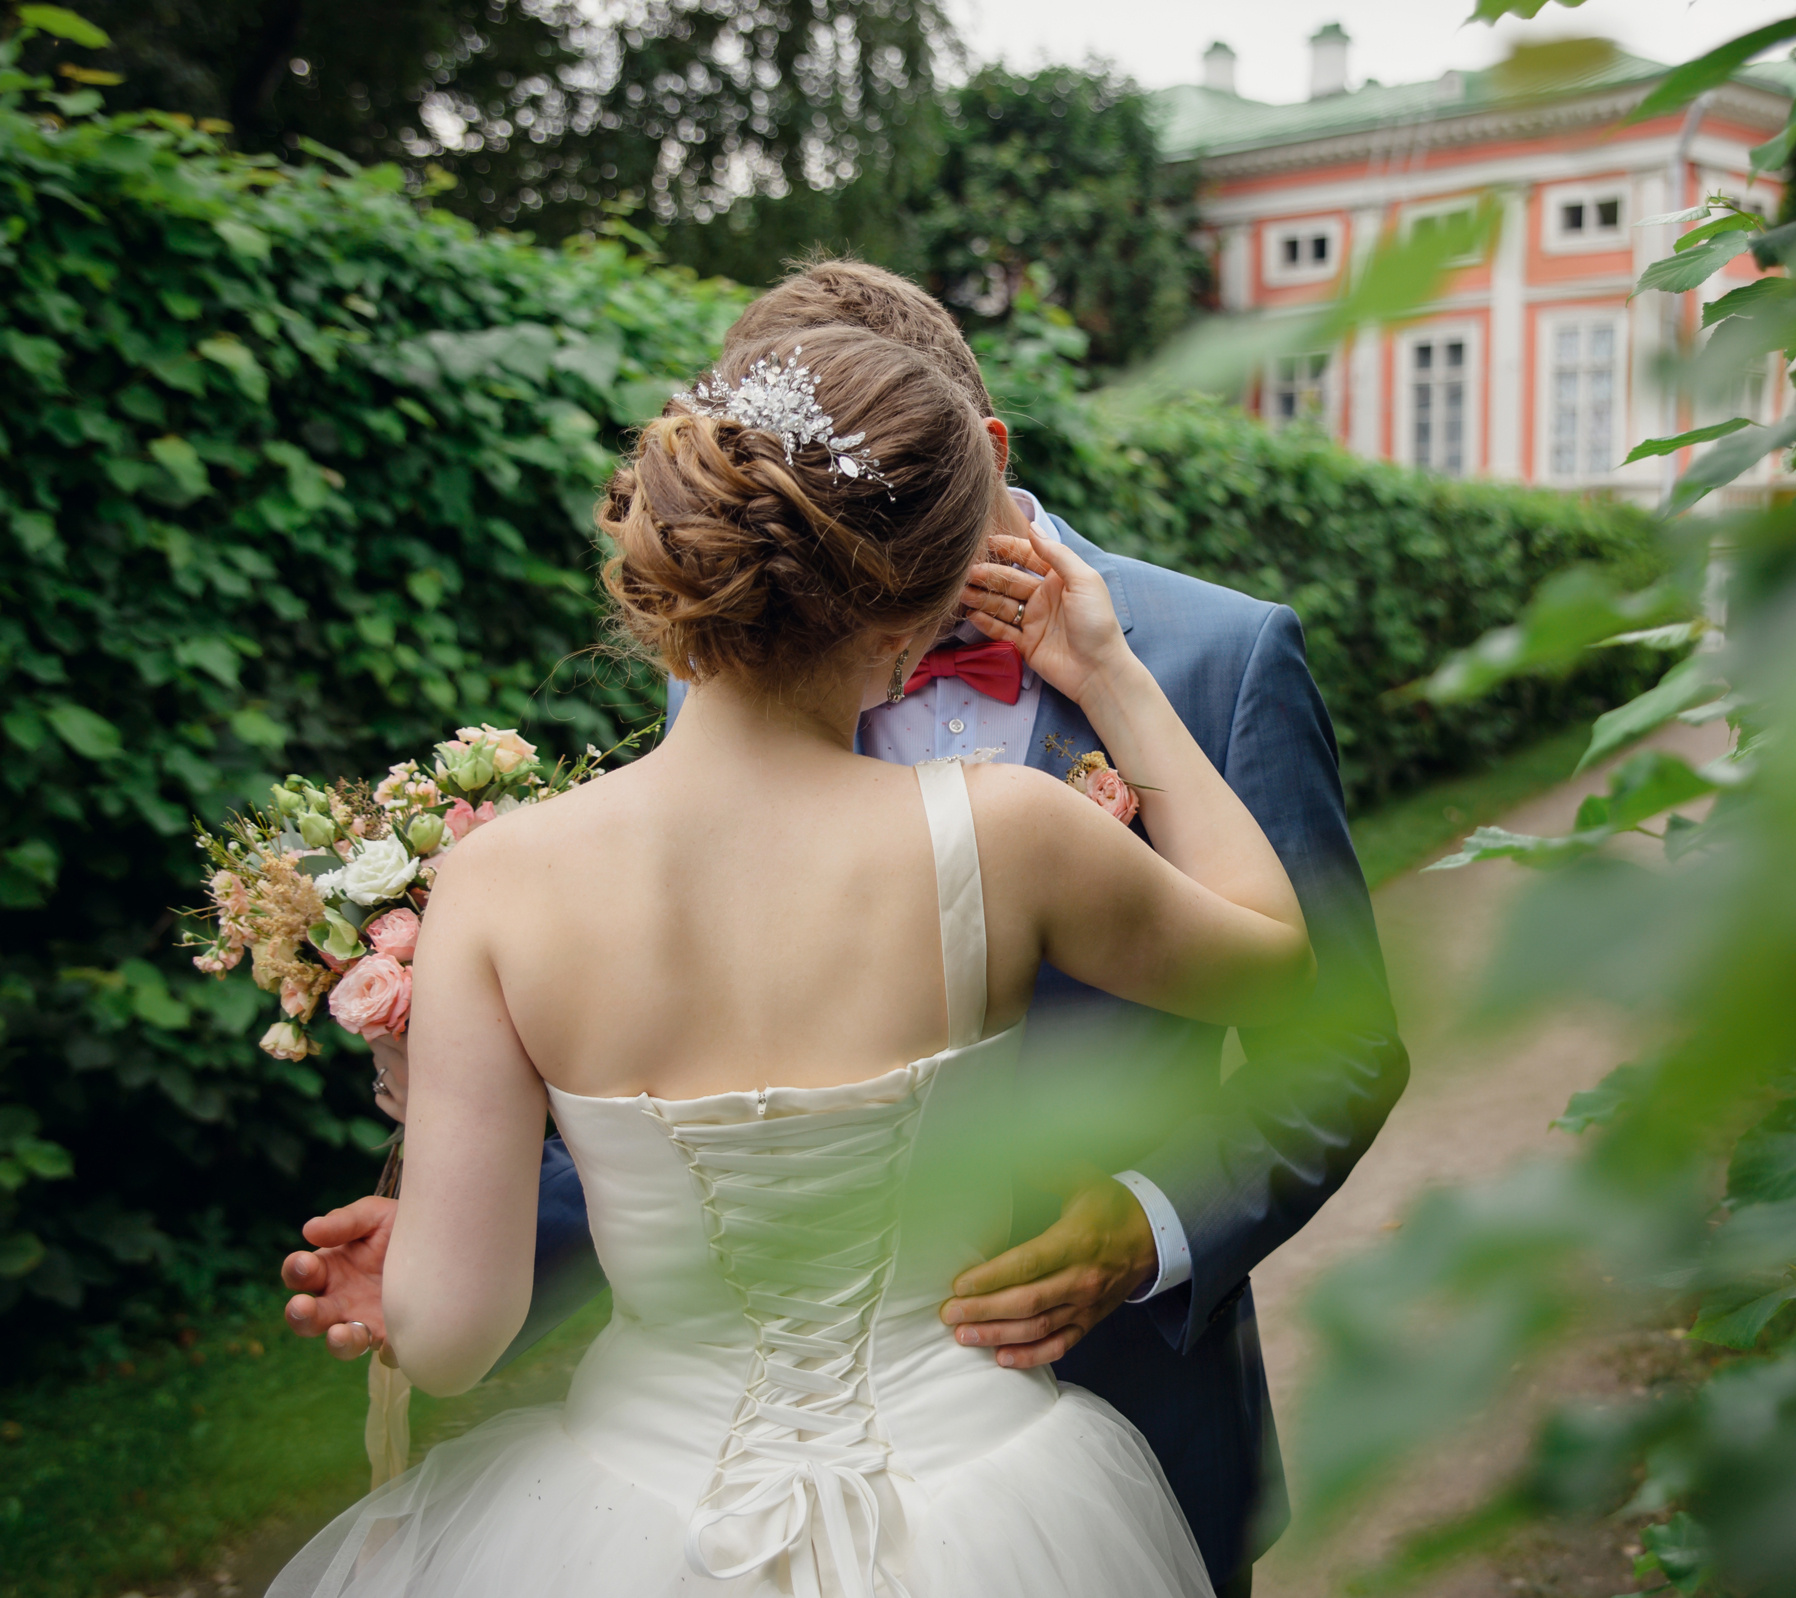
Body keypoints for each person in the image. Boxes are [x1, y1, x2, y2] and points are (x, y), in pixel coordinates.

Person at [280, 262, 1412, 1594]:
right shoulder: (998, 814)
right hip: (982, 1498)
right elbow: (707, 1079)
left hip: (1108, 1418)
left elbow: (1340, 1037)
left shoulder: (1222, 652)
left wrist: (1154, 1223)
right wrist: (499, 1208)